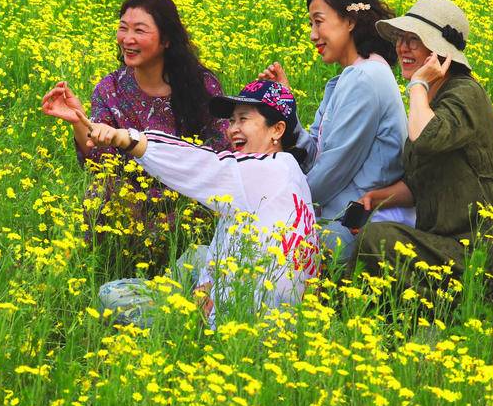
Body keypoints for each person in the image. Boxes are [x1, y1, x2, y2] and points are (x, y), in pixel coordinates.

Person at [48, 79, 319, 329]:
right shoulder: (289, 169)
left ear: (277, 129)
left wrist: (128, 139)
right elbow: (228, 234)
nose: (232, 128)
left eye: (244, 119)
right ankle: (189, 297)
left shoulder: (256, 171)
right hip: (283, 314)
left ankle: (181, 324)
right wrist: (205, 284)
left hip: (242, 324)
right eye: (232, 120)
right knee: (198, 255)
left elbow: (199, 162)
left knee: (112, 294)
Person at [352, 0, 493, 306]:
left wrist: (418, 84)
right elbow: (422, 180)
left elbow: (426, 138)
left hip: (483, 251)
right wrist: (376, 198)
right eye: (400, 39)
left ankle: (436, 322)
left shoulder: (465, 92)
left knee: (377, 241)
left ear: (439, 52)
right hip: (450, 243)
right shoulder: (433, 101)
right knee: (373, 238)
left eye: (413, 40)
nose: (402, 48)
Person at [41, 0, 228, 270]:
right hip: (132, 203)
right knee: (101, 190)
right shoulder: (111, 89)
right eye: (123, 28)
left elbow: (222, 154)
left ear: (166, 39)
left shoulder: (201, 87)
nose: (127, 39)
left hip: (187, 200)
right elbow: (98, 162)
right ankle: (102, 268)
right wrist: (79, 121)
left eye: (139, 30)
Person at [259, 0, 409, 265]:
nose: (313, 35)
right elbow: (316, 153)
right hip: (333, 218)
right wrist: (286, 108)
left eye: (319, 22)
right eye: (311, 24)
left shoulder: (367, 78)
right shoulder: (346, 79)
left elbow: (333, 169)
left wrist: (278, 203)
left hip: (350, 226)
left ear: (350, 21)